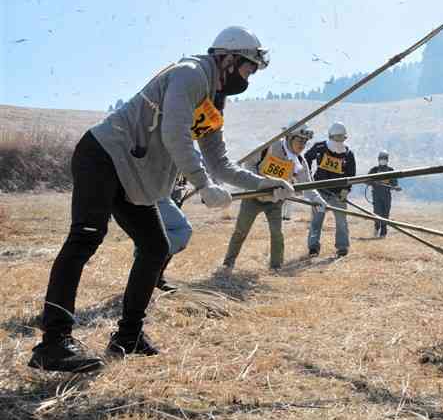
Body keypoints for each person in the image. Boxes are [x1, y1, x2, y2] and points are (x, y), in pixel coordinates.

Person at [28, 26, 294, 373]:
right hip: (104, 156)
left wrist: (266, 183)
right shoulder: (189, 75)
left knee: (155, 246)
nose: (249, 78)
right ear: (228, 58)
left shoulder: (214, 103)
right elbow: (174, 133)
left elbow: (221, 164)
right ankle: (52, 344)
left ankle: (128, 336)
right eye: (248, 68)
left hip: (134, 176)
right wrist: (203, 184)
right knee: (85, 238)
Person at [221, 122, 326, 272]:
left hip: (275, 201)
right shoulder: (269, 147)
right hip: (253, 197)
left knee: (277, 234)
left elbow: (308, 186)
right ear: (289, 137)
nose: (303, 145)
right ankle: (228, 264)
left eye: (305, 141)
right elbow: (249, 165)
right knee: (241, 231)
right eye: (300, 140)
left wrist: (317, 200)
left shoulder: (300, 162)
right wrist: (260, 183)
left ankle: (276, 267)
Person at [305, 122, 356, 258]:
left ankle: (342, 247)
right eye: (336, 138)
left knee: (341, 221)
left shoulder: (348, 154)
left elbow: (351, 174)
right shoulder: (320, 147)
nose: (339, 141)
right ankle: (313, 247)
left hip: (338, 194)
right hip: (319, 191)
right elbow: (306, 158)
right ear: (330, 137)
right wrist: (308, 176)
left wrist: (346, 190)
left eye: (342, 138)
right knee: (316, 221)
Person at [368, 150, 400, 238]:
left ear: (387, 160)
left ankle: (383, 233)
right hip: (376, 195)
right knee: (377, 213)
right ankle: (376, 227)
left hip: (386, 196)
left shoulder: (391, 170)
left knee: (385, 214)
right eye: (381, 158)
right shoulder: (374, 170)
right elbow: (366, 181)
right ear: (378, 159)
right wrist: (373, 182)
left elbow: (394, 183)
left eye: (384, 158)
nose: (383, 160)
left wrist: (396, 187)